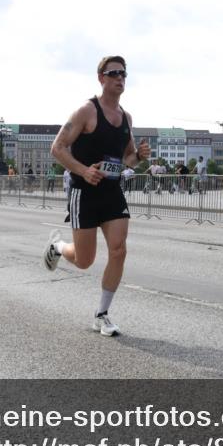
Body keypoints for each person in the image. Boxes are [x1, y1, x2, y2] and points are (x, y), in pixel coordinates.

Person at [43, 55, 150, 336]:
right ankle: (58, 248)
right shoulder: (86, 112)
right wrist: (83, 170)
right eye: (113, 73)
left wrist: (138, 155)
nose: (120, 78)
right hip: (84, 192)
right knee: (84, 260)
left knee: (119, 250)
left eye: (123, 73)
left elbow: (127, 159)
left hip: (112, 192)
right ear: (101, 77)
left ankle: (102, 314)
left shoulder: (126, 117)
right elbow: (58, 148)